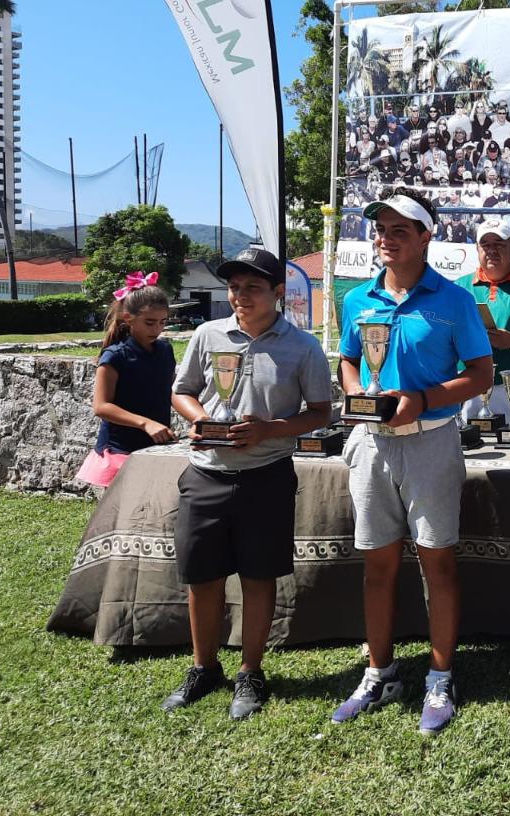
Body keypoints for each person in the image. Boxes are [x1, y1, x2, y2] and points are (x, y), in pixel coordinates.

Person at [333, 188, 494, 736]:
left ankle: (440, 677)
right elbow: (348, 362)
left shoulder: (454, 300)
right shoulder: (358, 299)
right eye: (380, 228)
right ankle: (378, 672)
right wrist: (359, 394)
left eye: (400, 229)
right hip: (372, 443)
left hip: (431, 441)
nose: (386, 238)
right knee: (377, 565)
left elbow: (481, 374)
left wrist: (422, 400)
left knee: (437, 564)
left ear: (427, 236)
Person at [164, 248, 333, 719]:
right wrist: (200, 420)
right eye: (235, 287)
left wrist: (269, 430)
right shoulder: (208, 334)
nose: (241, 296)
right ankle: (203, 667)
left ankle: (250, 671)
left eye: (253, 288)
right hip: (206, 473)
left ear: (277, 292)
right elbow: (182, 391)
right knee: (203, 577)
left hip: (267, 476)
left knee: (259, 578)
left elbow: (320, 412)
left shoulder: (303, 347)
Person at [76, 272, 176, 489]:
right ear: (128, 318)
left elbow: (170, 392)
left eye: (163, 322)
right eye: (149, 322)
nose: (157, 329)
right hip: (120, 449)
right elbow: (101, 406)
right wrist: (146, 423)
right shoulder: (115, 356)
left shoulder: (165, 350)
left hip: (156, 446)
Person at [454, 218, 510, 420]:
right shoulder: (458, 287)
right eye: (485, 245)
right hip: (468, 385)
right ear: (477, 249)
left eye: (499, 244)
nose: (491, 251)